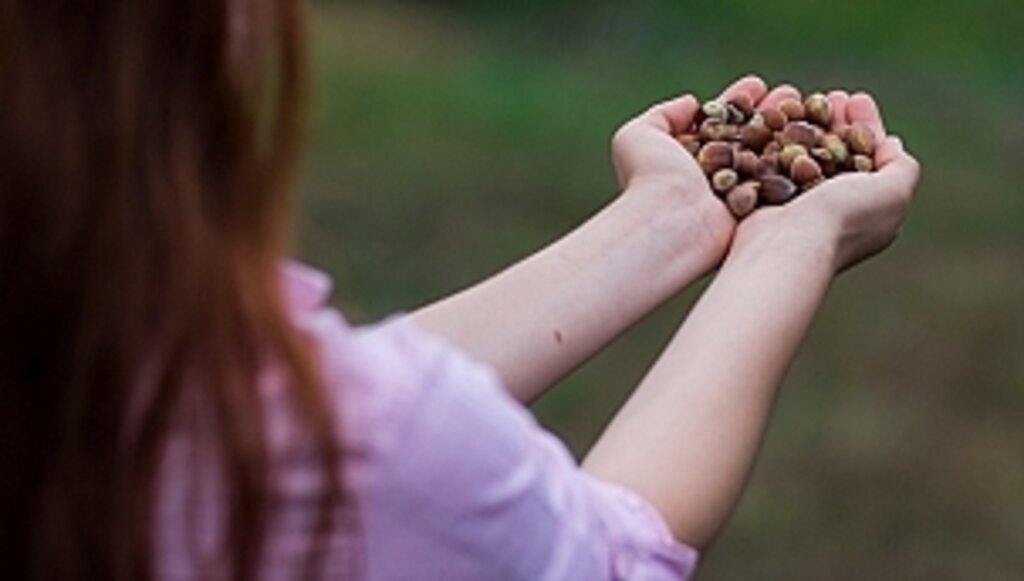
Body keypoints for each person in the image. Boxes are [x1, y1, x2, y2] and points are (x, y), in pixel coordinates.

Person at [0, 1, 920, 580]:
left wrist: (665, 225)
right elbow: (612, 556)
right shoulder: (359, 449)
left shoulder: (85, 353)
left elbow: (311, 407)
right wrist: (788, 248)